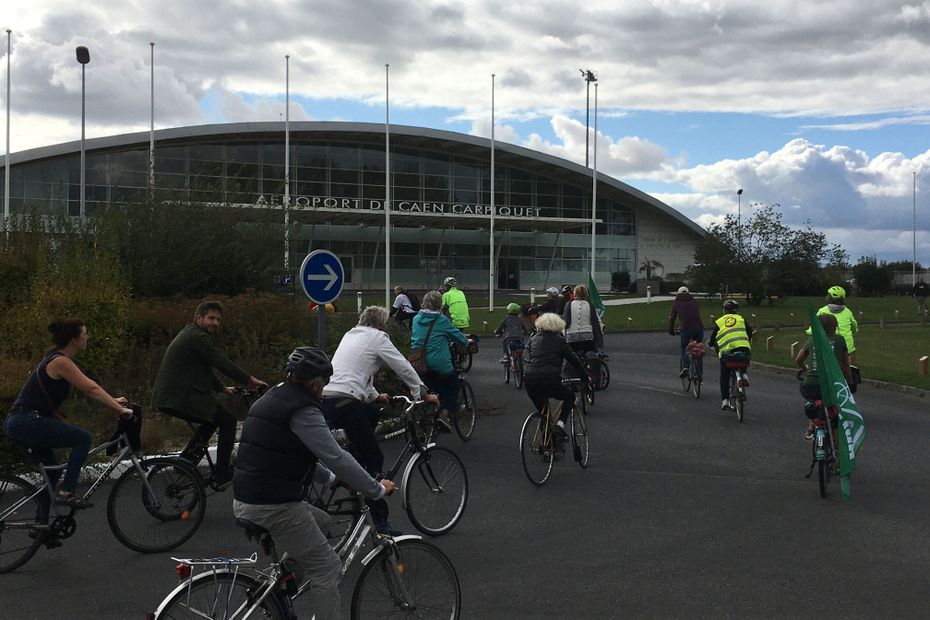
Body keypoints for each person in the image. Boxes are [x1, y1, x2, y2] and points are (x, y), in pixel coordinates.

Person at [233, 347, 396, 620]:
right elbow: (335, 455)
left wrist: (331, 479)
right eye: (325, 384)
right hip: (272, 504)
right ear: (315, 382)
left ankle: (279, 589)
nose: (324, 391)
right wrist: (376, 489)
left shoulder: (275, 396)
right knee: (327, 568)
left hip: (249, 496)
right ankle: (281, 592)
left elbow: (294, 451)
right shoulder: (302, 410)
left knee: (322, 521)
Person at [321, 306, 438, 536]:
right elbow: (402, 365)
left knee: (372, 414)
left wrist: (375, 396)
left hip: (328, 399)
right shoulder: (378, 337)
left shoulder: (351, 334)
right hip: (347, 403)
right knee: (375, 458)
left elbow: (355, 371)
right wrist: (422, 392)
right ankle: (381, 523)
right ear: (381, 325)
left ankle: (353, 468)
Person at [4, 318, 133, 513]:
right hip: (27, 421)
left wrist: (114, 401)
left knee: (52, 473)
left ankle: (41, 526)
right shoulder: (61, 362)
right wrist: (119, 409)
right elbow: (91, 388)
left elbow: (87, 388)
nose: (87, 337)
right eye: (84, 334)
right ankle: (67, 493)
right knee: (83, 438)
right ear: (74, 339)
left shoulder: (56, 358)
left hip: (22, 421)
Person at [152, 300, 268, 488]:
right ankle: (222, 472)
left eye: (218, 320)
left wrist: (222, 389)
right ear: (199, 318)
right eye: (211, 318)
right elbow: (220, 362)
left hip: (173, 397)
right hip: (179, 398)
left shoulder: (191, 333)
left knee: (212, 419)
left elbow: (203, 368)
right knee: (228, 420)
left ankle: (186, 463)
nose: (215, 323)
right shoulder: (198, 338)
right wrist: (251, 380)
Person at [522, 313, 589, 435]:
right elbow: (573, 360)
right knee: (570, 397)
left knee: (544, 413)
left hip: (530, 380)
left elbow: (527, 358)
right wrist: (584, 376)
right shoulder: (560, 341)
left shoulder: (533, 339)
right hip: (550, 379)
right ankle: (560, 424)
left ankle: (547, 446)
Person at [411, 291, 469, 431]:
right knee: (453, 385)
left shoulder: (416, 318)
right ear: (440, 304)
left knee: (432, 384)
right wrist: (467, 341)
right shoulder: (441, 321)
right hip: (439, 363)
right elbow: (458, 337)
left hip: (418, 362)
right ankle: (443, 415)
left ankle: (427, 413)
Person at [795, 314, 852, 440]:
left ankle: (810, 427)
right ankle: (836, 448)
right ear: (835, 326)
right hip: (832, 383)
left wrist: (805, 369)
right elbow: (846, 364)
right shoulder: (840, 340)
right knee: (837, 413)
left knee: (813, 402)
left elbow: (798, 359)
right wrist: (849, 380)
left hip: (810, 384)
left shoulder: (812, 340)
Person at [708, 299, 753, 410]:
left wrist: (711, 344)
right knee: (743, 358)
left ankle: (725, 400)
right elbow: (750, 331)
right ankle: (744, 374)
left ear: (724, 310)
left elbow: (713, 338)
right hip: (743, 347)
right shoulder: (741, 319)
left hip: (727, 352)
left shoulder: (720, 321)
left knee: (725, 375)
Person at [806, 286, 858, 362]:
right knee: (845, 364)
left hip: (829, 345)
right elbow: (854, 327)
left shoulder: (822, 311)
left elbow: (813, 328)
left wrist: (809, 332)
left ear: (829, 297)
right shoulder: (848, 312)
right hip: (847, 346)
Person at [667, 286, 704, 378]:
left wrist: (671, 331)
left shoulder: (677, 303)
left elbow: (672, 318)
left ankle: (686, 367)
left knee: (684, 347)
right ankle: (699, 373)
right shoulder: (694, 301)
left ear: (678, 294)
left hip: (686, 328)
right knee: (698, 349)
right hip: (698, 327)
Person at [563, 284, 604, 356]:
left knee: (571, 357)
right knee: (592, 354)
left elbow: (565, 322)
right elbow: (595, 321)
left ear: (575, 293)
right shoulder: (590, 305)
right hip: (587, 336)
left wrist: (564, 334)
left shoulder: (569, 304)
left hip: (572, 336)